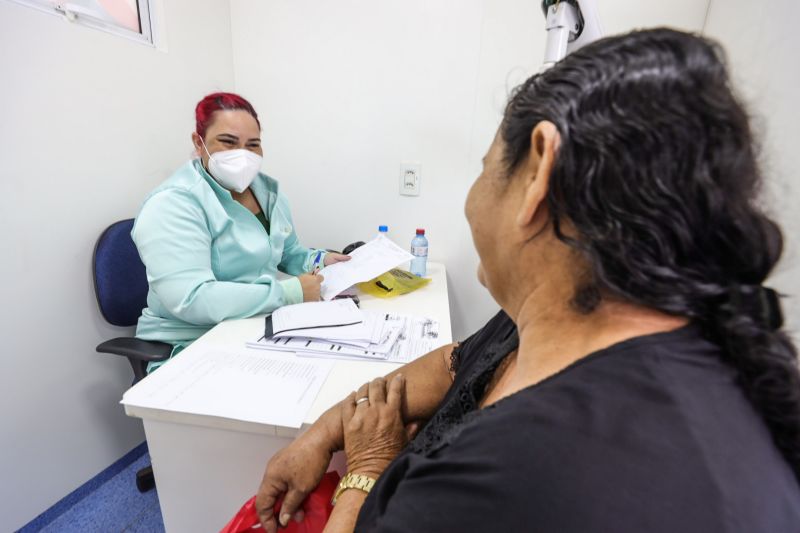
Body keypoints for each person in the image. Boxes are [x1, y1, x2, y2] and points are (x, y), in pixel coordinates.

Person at [255, 28, 800, 532]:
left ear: (538, 172)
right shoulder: (578, 316)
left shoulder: (510, 476)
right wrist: (324, 432)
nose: (472, 198)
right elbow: (457, 363)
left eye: (486, 166)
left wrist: (365, 471)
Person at [132, 92, 348, 370]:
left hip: (256, 328)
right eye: (228, 142)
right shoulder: (173, 204)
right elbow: (192, 299)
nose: (243, 155)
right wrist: (290, 293)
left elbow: (288, 252)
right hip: (190, 345)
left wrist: (321, 261)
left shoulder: (267, 192)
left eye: (253, 145)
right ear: (199, 143)